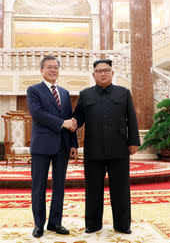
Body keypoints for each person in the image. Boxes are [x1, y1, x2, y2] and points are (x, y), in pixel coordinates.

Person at [71, 59, 139, 234]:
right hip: (94, 150)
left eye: (106, 70)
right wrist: (72, 125)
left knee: (121, 189)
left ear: (112, 73)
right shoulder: (85, 95)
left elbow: (131, 118)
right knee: (93, 189)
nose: (103, 73)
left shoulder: (123, 93)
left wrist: (133, 142)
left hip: (119, 148)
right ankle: (93, 224)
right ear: (93, 74)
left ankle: (123, 225)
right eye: (99, 71)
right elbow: (78, 118)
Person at [26, 55, 78, 238]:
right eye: (49, 67)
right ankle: (39, 224)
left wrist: (73, 143)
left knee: (59, 186)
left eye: (55, 67)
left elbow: (70, 117)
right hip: (42, 145)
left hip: (62, 146)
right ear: (41, 70)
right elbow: (38, 114)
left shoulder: (64, 92)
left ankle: (55, 222)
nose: (53, 70)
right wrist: (62, 124)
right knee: (38, 186)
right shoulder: (33, 90)